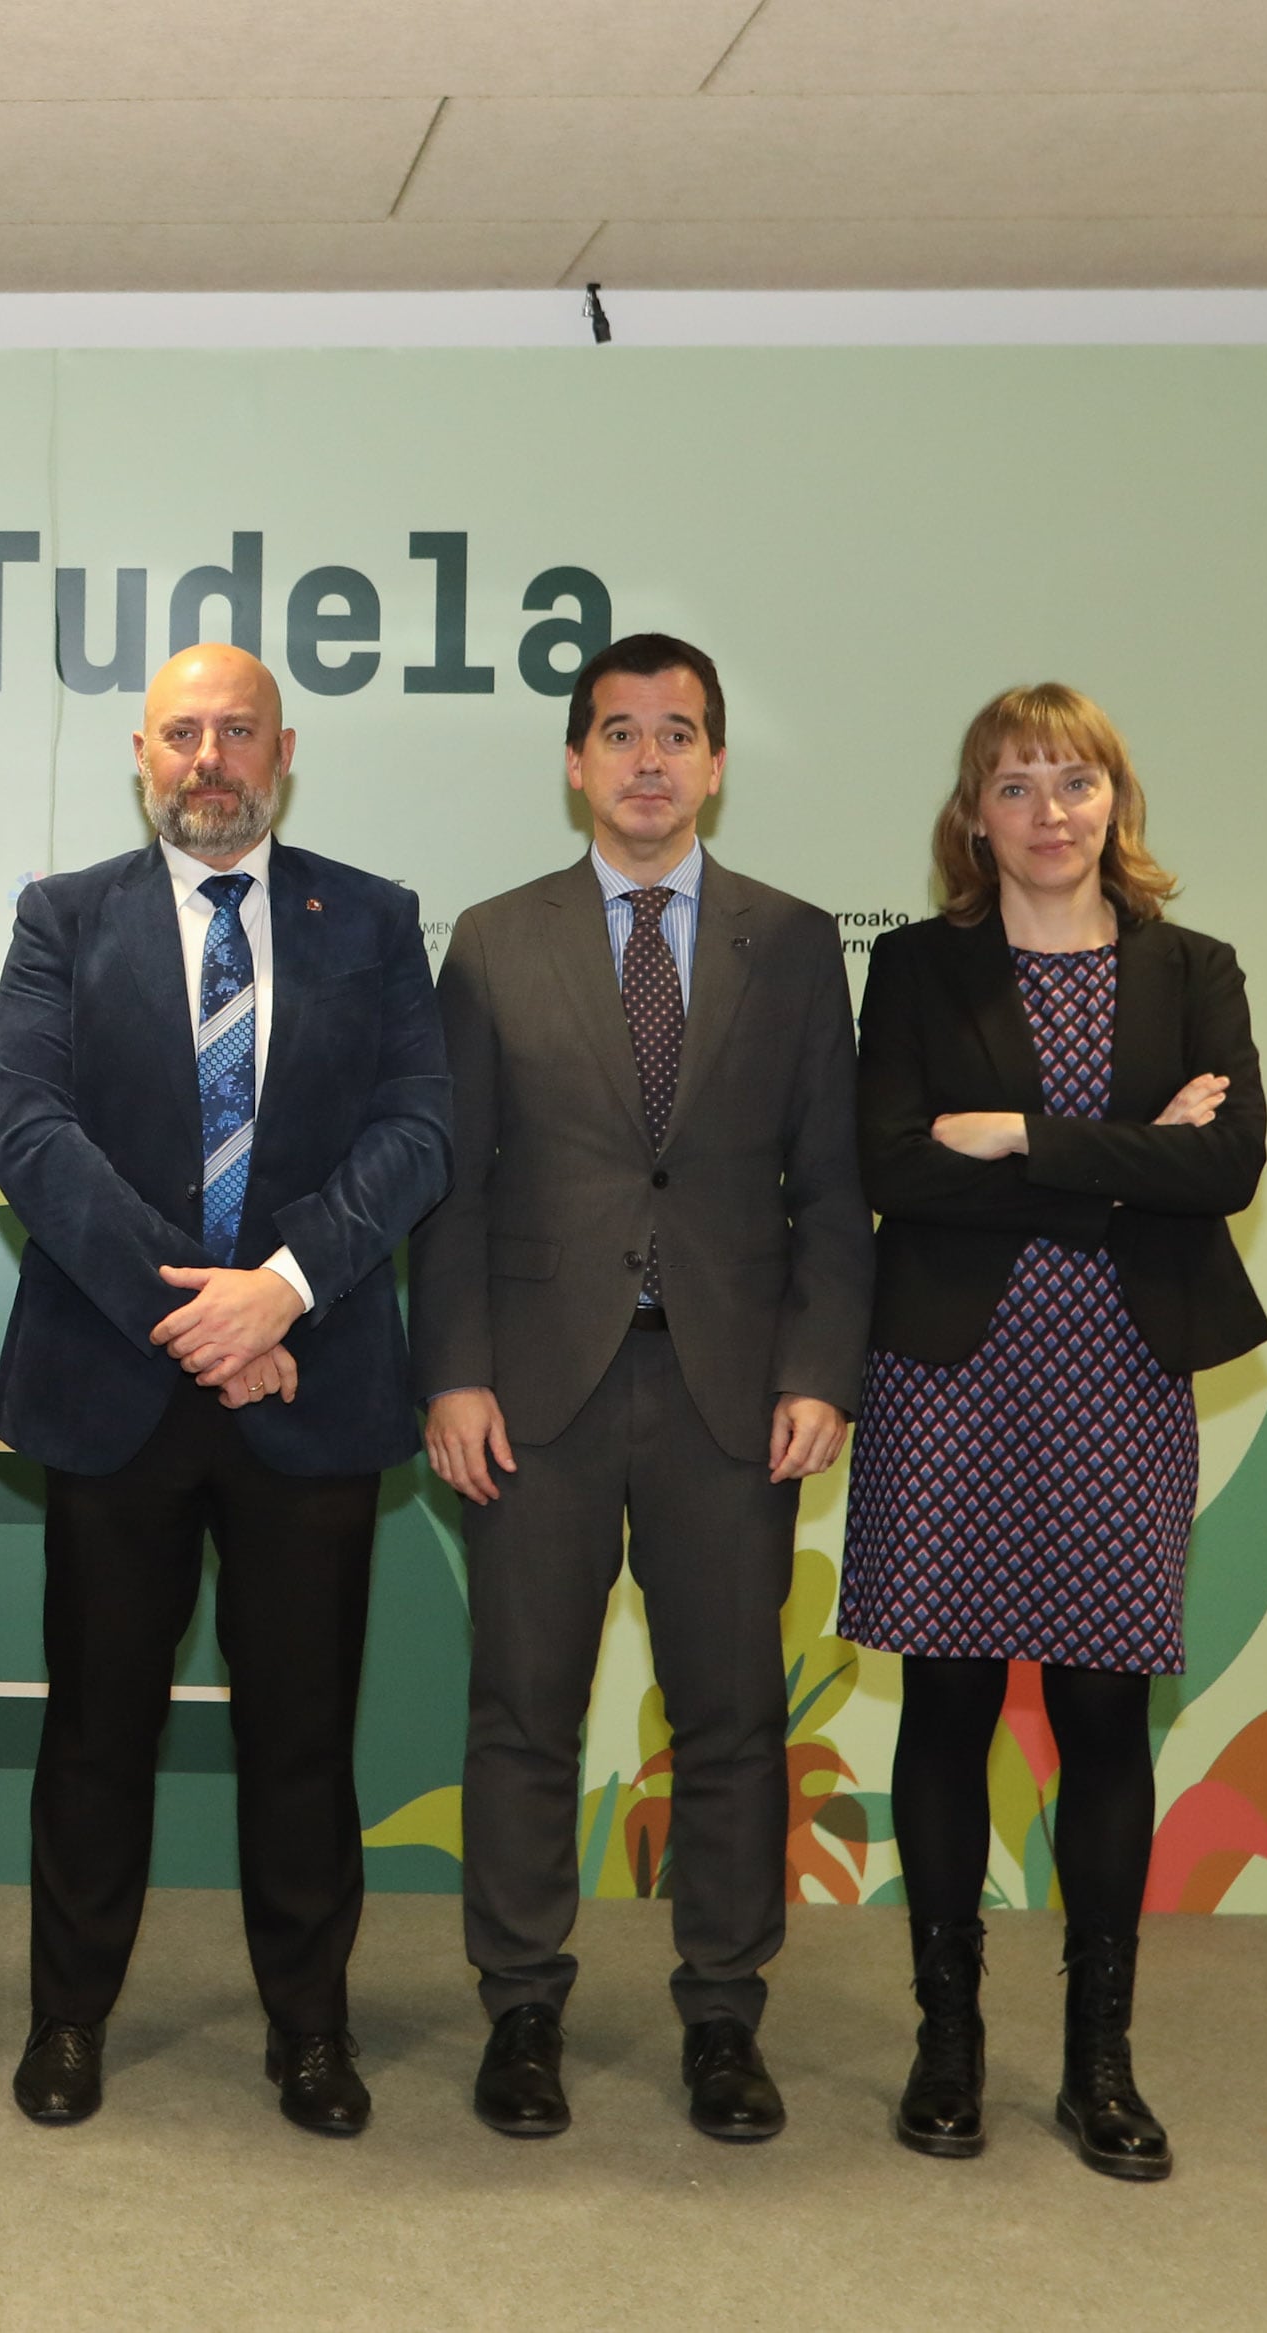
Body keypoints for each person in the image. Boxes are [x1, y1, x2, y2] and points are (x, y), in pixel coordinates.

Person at [413, 632, 871, 2146]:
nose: (651, 761)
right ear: (575, 762)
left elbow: (835, 1185)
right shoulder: (491, 937)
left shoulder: (796, 944)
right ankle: (523, 2006)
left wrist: (819, 1369)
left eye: (680, 733)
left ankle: (725, 2016)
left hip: (729, 1394)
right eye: (621, 733)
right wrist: (456, 1372)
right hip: (536, 1390)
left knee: (733, 1715)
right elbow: (457, 1188)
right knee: (524, 1711)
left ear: (720, 763)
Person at [0, 642, 449, 2135]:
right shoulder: (64, 918)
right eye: (183, 732)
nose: (209, 758)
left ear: (282, 749)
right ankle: (69, 2019)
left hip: (307, 1381)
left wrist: (283, 1288)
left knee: (303, 1734)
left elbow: (417, 1128)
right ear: (141, 751)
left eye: (236, 731)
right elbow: (35, 1135)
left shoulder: (372, 919)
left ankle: (310, 2032)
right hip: (120, 1382)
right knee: (97, 1724)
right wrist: (193, 1309)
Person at [838, 684, 1264, 2182]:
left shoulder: (1193, 970)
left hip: (1123, 1379)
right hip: (951, 1379)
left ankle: (1101, 2062)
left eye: (1073, 779)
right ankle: (945, 2041)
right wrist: (1128, 1160)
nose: (1047, 810)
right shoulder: (913, 967)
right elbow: (892, 1165)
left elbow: (1226, 1166)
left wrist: (1014, 1137)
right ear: (974, 816)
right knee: (946, 1709)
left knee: (1099, 1720)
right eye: (1013, 784)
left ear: (1115, 801)